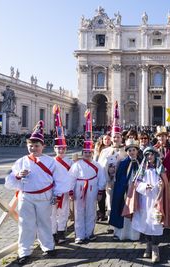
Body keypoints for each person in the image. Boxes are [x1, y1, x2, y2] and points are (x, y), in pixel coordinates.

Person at [5, 120, 71, 265]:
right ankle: (24, 251)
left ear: (43, 146)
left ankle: (48, 246)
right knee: (25, 224)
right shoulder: (21, 161)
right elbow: (9, 180)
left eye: (36, 146)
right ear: (27, 146)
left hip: (44, 196)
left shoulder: (51, 162)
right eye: (31, 146)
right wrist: (17, 176)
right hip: (26, 197)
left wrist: (56, 194)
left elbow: (61, 179)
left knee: (45, 223)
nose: (33, 148)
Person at [123, 147, 170, 263]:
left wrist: (161, 185)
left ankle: (155, 249)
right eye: (147, 155)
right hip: (144, 200)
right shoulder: (142, 168)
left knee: (156, 224)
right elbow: (136, 183)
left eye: (151, 155)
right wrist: (144, 186)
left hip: (157, 200)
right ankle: (148, 245)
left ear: (154, 155)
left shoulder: (160, 168)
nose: (149, 157)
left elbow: (165, 183)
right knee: (145, 223)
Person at [69, 110, 106, 244]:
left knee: (91, 211)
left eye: (89, 152)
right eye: (85, 152)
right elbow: (71, 178)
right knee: (79, 212)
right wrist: (71, 191)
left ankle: (89, 232)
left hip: (92, 188)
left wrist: (101, 191)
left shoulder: (97, 165)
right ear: (82, 152)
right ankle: (79, 234)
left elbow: (102, 178)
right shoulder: (77, 164)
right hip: (79, 188)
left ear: (92, 152)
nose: (87, 154)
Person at [97, 101, 127, 223]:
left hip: (122, 181)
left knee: (122, 200)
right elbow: (100, 166)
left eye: (118, 137)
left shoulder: (126, 151)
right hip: (109, 181)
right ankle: (111, 219)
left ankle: (122, 219)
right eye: (114, 137)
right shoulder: (105, 151)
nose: (115, 139)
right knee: (109, 200)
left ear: (121, 138)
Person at [109, 139, 141, 241]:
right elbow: (119, 178)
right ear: (127, 152)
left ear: (137, 151)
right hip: (125, 192)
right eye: (130, 150)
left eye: (133, 150)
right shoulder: (123, 163)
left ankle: (134, 234)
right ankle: (122, 234)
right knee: (123, 209)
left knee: (136, 210)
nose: (132, 152)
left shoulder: (141, 163)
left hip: (137, 191)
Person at [51, 105, 74, 244]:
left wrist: (71, 190)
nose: (61, 150)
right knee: (52, 214)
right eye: (58, 148)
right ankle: (53, 233)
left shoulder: (70, 162)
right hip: (53, 192)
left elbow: (73, 176)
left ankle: (61, 232)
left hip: (65, 191)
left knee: (64, 212)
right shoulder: (50, 162)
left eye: (63, 148)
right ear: (54, 148)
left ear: (66, 148)